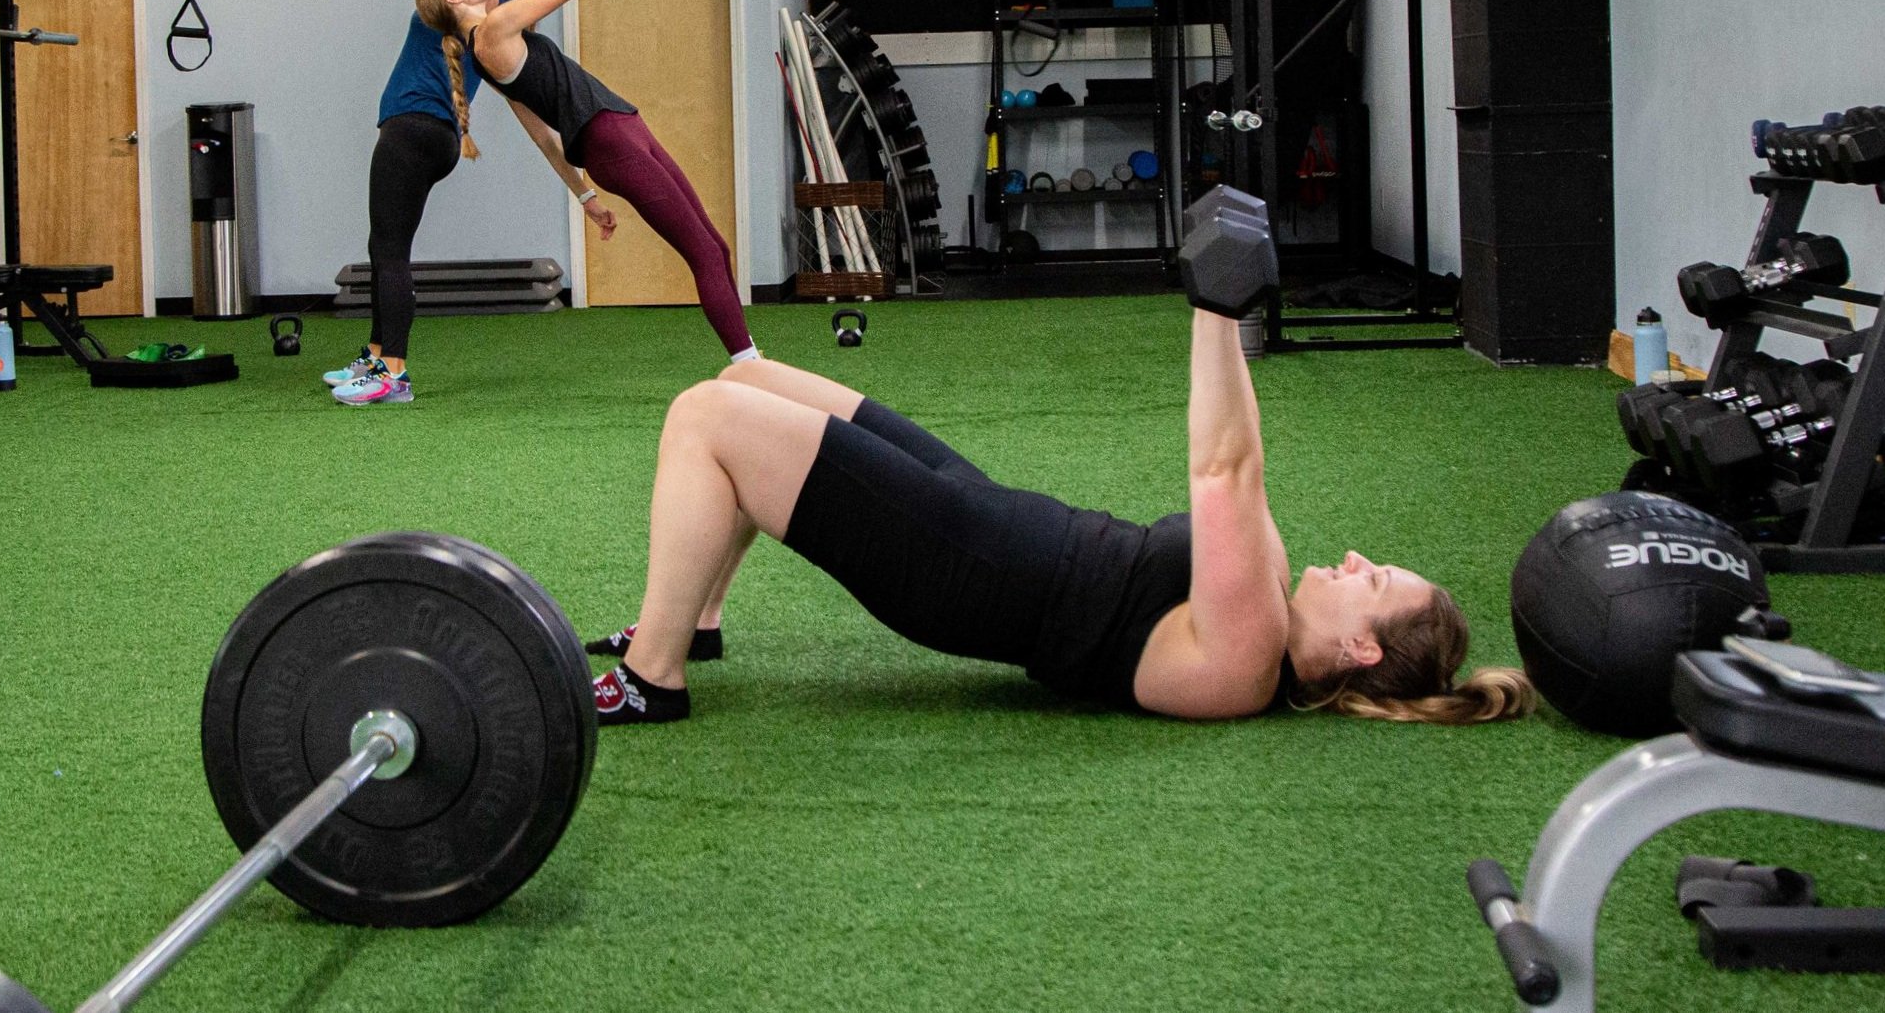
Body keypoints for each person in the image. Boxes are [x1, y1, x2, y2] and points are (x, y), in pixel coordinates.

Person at [583, 309, 1537, 727]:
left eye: (1374, 581)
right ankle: (695, 621)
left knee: (706, 418)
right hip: (986, 514)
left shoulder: (1248, 655)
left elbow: (1224, 470)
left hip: (961, 564)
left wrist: (1215, 309)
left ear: (1362, 650)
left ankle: (653, 675)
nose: (1358, 559)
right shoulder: (1263, 608)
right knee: (746, 381)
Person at [414, 0, 759, 364]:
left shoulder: (493, 45)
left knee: (715, 247)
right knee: (704, 253)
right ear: (456, 1)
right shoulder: (493, 30)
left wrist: (584, 196)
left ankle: (750, 357)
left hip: (621, 130)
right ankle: (747, 366)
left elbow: (542, 135)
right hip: (611, 142)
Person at [328, 0, 542, 406]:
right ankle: (377, 356)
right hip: (430, 132)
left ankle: (393, 374)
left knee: (390, 250)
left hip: (414, 128)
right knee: (385, 245)